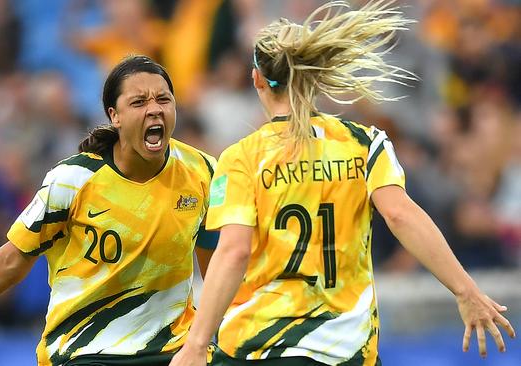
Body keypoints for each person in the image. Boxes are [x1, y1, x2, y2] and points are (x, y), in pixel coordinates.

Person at [170, 2, 516, 366]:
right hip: (346, 351)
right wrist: (465, 291)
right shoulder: (365, 143)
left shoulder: (241, 158)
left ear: (257, 78)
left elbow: (234, 252)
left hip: (260, 347)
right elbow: (401, 215)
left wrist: (196, 343)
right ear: (317, 77)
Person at [0, 55, 218, 366]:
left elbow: (214, 264)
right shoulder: (74, 179)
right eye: (139, 102)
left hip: (171, 352)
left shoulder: (203, 172)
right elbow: (14, 258)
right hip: (85, 351)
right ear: (114, 116)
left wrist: (212, 336)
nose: (155, 110)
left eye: (163, 99)